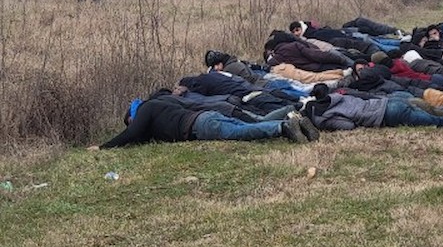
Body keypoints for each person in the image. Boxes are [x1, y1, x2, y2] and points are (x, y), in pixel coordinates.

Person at [87, 93, 319, 150]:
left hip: (201, 126)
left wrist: (103, 147)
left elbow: (131, 134)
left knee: (243, 132)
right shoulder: (161, 105)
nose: (131, 124)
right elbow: (138, 137)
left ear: (133, 113)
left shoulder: (146, 108)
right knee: (249, 126)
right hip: (206, 118)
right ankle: (292, 115)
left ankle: (284, 126)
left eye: (129, 120)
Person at [303, 84, 443, 131]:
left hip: (388, 116)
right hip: (389, 102)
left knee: (439, 122)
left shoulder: (322, 117)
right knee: (432, 111)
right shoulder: (335, 96)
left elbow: (348, 127)